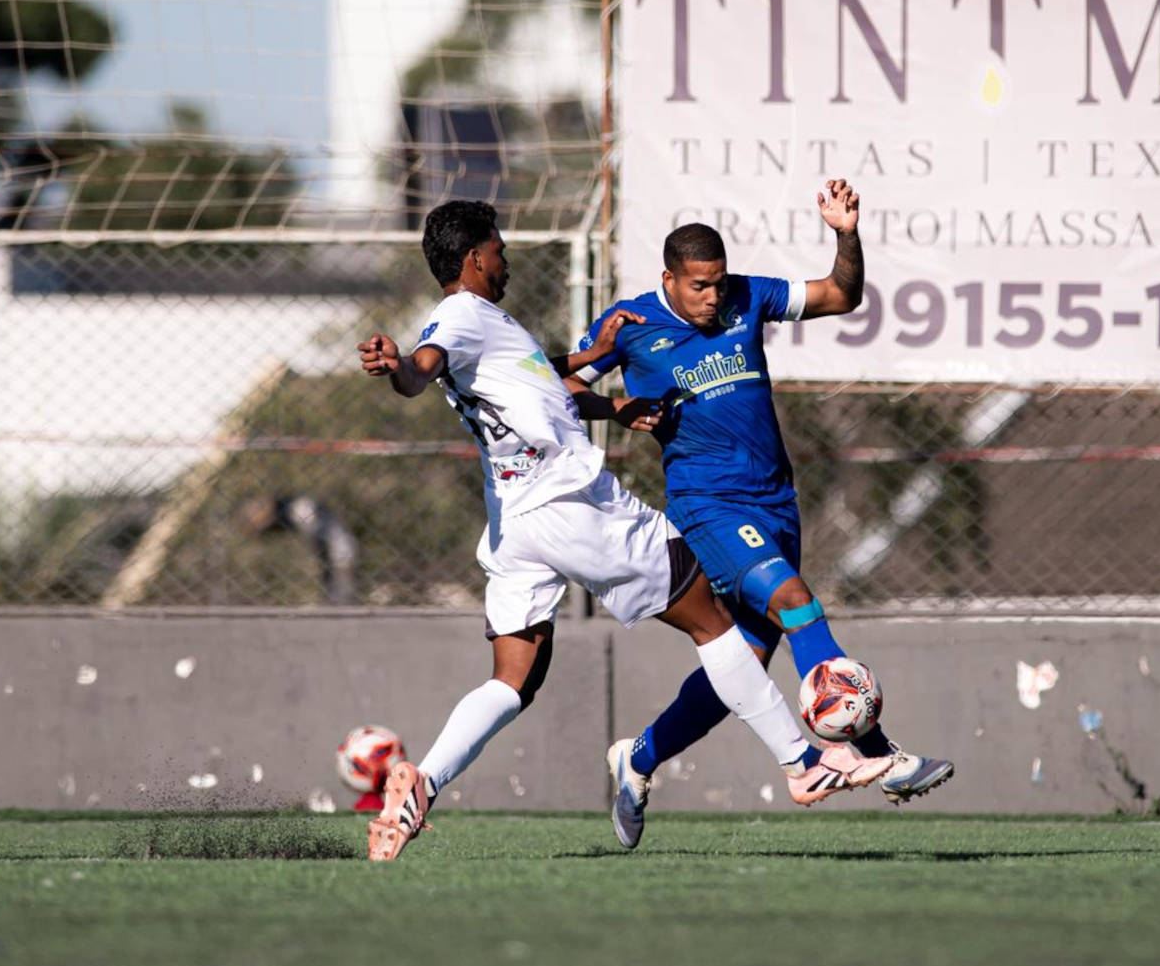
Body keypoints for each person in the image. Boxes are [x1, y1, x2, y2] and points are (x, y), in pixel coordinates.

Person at [355, 199, 897, 862]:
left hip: (513, 521)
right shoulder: (465, 315)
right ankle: (802, 763)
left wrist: (610, 394)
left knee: (515, 677)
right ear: (473, 258)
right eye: (498, 249)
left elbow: (540, 384)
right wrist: (401, 369)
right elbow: (424, 366)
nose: (506, 259)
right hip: (571, 503)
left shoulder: (487, 325)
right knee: (713, 620)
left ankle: (424, 781)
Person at [560, 180, 954, 850]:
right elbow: (560, 384)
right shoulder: (629, 323)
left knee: (739, 668)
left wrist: (846, 235)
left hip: (775, 501)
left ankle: (638, 758)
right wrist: (615, 407)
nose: (713, 297)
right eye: (699, 287)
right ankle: (874, 752)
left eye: (718, 283)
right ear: (669, 279)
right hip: (707, 505)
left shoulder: (748, 295)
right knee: (796, 601)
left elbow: (841, 295)